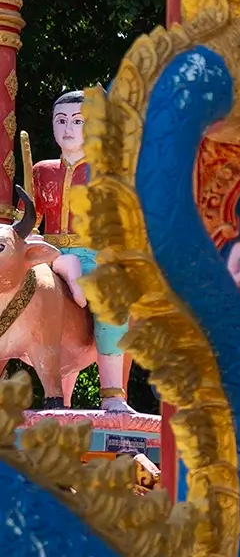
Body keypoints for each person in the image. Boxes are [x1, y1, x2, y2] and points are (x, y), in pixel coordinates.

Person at [33, 91, 132, 411]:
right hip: (46, 250)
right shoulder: (41, 170)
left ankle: (113, 395)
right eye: (60, 121)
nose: (68, 129)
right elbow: (31, 219)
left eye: (78, 121)